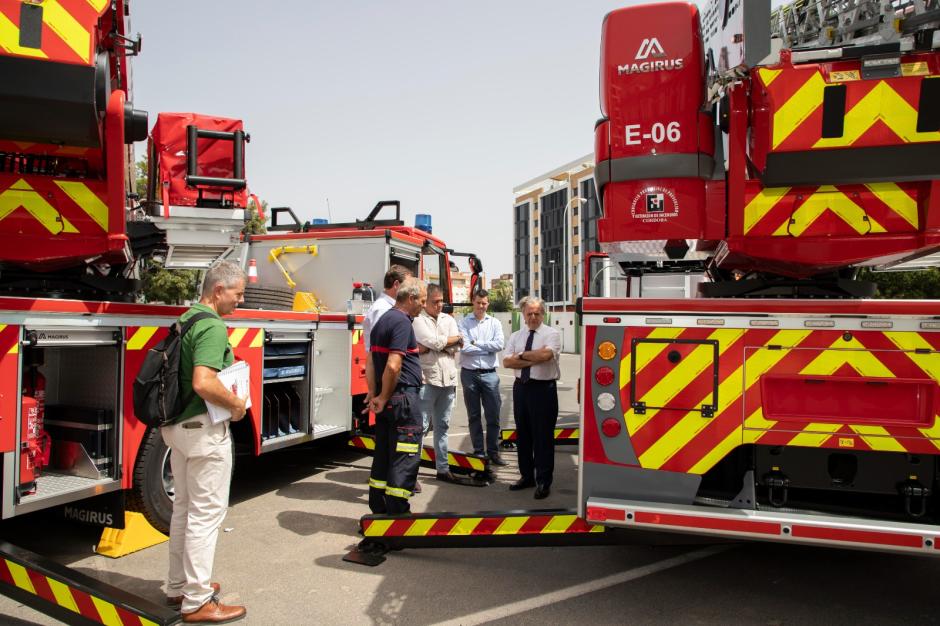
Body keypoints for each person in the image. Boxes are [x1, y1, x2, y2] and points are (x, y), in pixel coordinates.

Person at [162, 261, 248, 623]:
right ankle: (197, 601)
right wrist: (237, 405)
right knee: (206, 515)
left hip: (178, 430)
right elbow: (203, 382)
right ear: (218, 290)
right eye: (237, 294)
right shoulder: (212, 326)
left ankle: (178, 587)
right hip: (203, 432)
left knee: (183, 509)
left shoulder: (187, 318)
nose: (239, 301)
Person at [366, 277, 428, 514]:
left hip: (389, 401)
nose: (423, 305)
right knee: (405, 455)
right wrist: (382, 396)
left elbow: (371, 361)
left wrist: (376, 394)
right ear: (410, 298)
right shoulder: (401, 322)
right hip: (402, 399)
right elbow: (393, 365)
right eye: (421, 300)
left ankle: (378, 509)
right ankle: (398, 514)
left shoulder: (382, 320)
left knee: (383, 455)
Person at [502, 296, 561, 500]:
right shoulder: (516, 335)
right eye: (530, 313)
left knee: (543, 437)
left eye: (537, 313)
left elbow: (545, 356)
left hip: (543, 390)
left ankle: (544, 481)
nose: (534, 317)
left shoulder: (552, 334)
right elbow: (507, 363)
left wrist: (520, 356)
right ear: (523, 315)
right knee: (524, 435)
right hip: (521, 389)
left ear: (543, 314)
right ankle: (527, 476)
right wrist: (528, 358)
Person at [413, 284, 462, 482]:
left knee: (443, 426)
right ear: (425, 303)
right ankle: (411, 473)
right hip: (428, 380)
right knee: (421, 428)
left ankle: (442, 469)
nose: (440, 305)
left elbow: (456, 347)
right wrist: (447, 342)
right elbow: (434, 342)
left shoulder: (448, 319)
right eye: (435, 302)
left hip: (447, 381)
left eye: (441, 301)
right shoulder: (418, 320)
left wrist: (443, 344)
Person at [458, 290, 506, 466]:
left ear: (488, 304)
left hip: (490, 375)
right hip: (469, 374)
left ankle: (493, 452)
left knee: (493, 416)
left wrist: (476, 343)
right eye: (478, 302)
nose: (481, 306)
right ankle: (479, 451)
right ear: (473, 302)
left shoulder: (495, 323)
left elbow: (499, 345)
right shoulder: (463, 323)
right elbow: (464, 348)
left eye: (484, 303)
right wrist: (487, 348)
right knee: (474, 416)